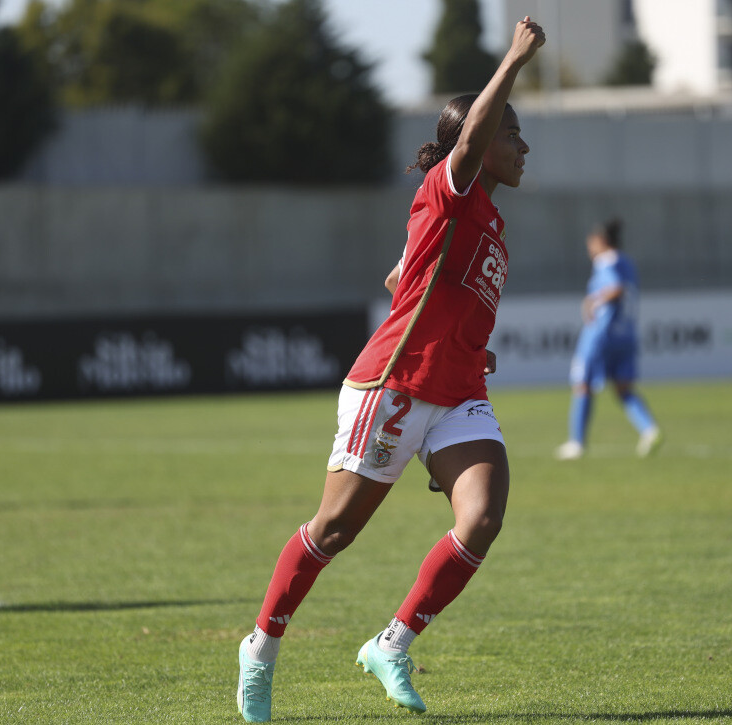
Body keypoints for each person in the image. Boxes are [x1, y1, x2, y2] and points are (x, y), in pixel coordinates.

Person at [236, 16, 544, 722]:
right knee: (335, 529)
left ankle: (392, 641)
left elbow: (411, 277)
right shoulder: (454, 181)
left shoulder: (487, 219)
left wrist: (468, 342)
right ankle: (261, 647)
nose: (522, 145)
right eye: (511, 132)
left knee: (484, 514)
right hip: (395, 386)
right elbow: (466, 144)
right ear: (480, 141)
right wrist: (515, 60)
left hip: (458, 389)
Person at [555, 217, 661, 461]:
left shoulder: (607, 261)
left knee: (582, 384)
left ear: (601, 241)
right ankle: (649, 429)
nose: (589, 249)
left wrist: (593, 301)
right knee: (623, 388)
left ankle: (577, 443)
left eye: (591, 244)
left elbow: (616, 287)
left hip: (601, 335)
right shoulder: (628, 262)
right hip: (626, 335)